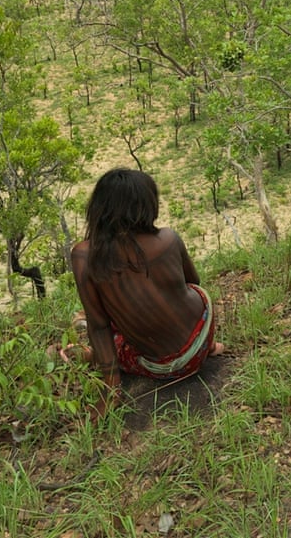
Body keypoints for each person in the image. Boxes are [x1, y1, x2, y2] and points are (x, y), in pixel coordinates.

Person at [70, 168, 224, 415]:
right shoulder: (169, 238)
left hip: (162, 366)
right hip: (202, 337)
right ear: (147, 204)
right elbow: (192, 283)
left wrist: (110, 391)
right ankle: (212, 346)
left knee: (92, 323)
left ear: (99, 208)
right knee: (185, 294)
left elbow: (99, 327)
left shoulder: (85, 256)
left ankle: (88, 356)